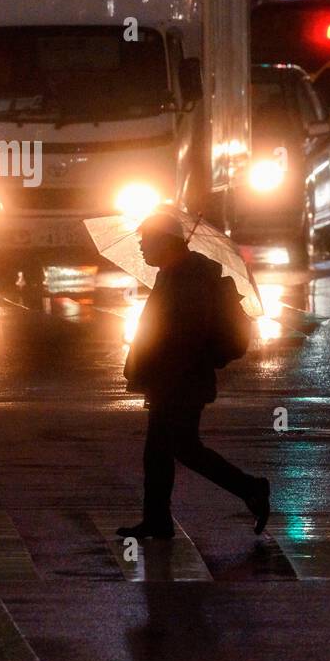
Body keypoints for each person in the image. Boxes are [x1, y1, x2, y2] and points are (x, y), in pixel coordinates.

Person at [117, 212, 270, 540]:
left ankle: (251, 488)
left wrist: (161, 367)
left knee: (181, 448)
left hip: (181, 379)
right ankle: (157, 519)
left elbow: (185, 334)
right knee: (162, 450)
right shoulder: (173, 273)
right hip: (172, 378)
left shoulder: (189, 277)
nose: (141, 247)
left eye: (146, 240)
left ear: (164, 241)